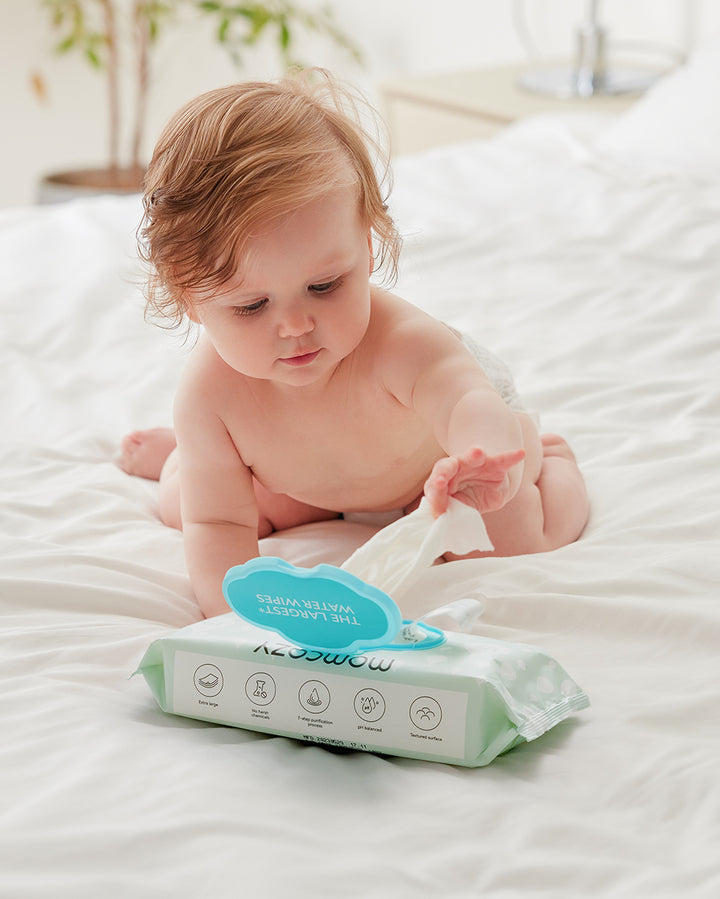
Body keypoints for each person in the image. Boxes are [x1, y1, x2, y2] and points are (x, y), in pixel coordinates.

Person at [120, 69, 589, 618]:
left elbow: (467, 403)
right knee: (187, 505)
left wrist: (483, 460)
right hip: (311, 476)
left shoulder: (404, 345)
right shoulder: (210, 398)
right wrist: (236, 623)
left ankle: (552, 459)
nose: (295, 325)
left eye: (325, 287)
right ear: (189, 297)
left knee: (507, 539)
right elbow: (219, 527)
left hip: (438, 461)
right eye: (251, 306)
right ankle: (185, 456)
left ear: (366, 249)